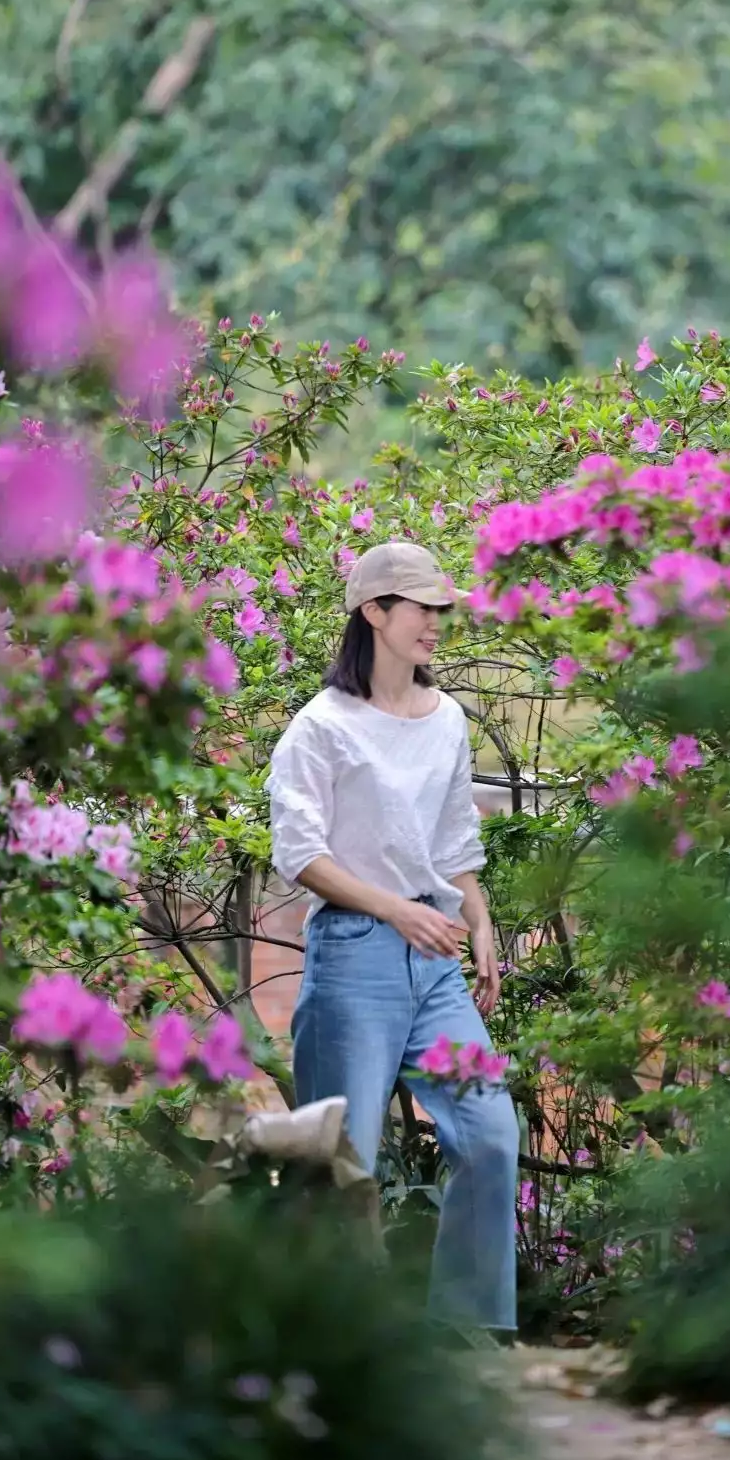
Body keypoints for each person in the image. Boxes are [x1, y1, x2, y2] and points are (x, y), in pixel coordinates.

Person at [267, 539, 518, 1334]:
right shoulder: (320, 729)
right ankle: (344, 1348)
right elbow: (299, 853)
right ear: (374, 612)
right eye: (421, 607)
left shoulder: (445, 721)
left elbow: (451, 845)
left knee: (491, 1134)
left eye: (442, 608)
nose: (436, 622)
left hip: (437, 963)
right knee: (344, 1165)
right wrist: (393, 910)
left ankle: (471, 1331)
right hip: (353, 961)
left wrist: (478, 920)